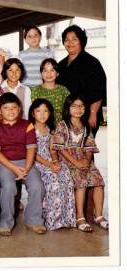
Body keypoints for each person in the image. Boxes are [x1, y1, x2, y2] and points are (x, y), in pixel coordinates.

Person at [51, 94, 108, 232]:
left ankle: (98, 215)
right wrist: (76, 162)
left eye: (81, 106)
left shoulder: (86, 125)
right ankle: (80, 217)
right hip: (68, 160)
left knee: (98, 181)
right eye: (74, 106)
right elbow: (60, 148)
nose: (78, 109)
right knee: (81, 182)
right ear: (68, 108)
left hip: (83, 159)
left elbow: (89, 147)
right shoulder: (62, 125)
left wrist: (87, 162)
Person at [0, 93, 45, 236]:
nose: (10, 111)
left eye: (14, 107)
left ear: (20, 109)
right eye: (6, 108)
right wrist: (14, 168)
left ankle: (33, 220)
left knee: (37, 186)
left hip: (25, 161)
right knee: (8, 187)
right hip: (4, 162)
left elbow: (31, 148)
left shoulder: (27, 125)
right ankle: (5, 223)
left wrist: (26, 168)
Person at [28, 98, 76, 230]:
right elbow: (33, 153)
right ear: (33, 113)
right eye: (38, 111)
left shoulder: (50, 128)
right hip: (36, 161)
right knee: (53, 178)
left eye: (45, 111)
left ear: (50, 113)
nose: (42, 114)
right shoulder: (29, 128)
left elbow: (52, 148)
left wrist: (55, 161)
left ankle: (66, 219)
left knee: (65, 175)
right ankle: (52, 220)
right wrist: (49, 165)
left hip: (50, 160)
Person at [56, 25, 107, 136]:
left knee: (84, 148)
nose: (70, 43)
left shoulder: (92, 63)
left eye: (74, 39)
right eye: (66, 40)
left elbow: (98, 91)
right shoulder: (60, 65)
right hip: (66, 115)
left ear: (81, 41)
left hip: (86, 114)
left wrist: (93, 114)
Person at [31, 58, 70, 123]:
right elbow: (35, 111)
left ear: (57, 73)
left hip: (60, 125)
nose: (48, 74)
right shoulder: (36, 90)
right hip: (42, 125)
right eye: (45, 70)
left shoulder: (63, 90)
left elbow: (68, 110)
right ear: (41, 74)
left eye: (52, 70)